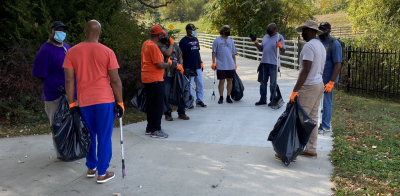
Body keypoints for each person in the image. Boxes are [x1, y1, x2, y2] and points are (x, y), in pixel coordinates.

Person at [63, 20, 124, 184]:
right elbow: (115, 80)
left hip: (84, 101)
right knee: (104, 136)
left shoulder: (72, 52)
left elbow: (69, 81)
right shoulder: (107, 52)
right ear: (100, 33)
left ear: (85, 31)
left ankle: (91, 167)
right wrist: (120, 102)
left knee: (88, 135)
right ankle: (102, 173)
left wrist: (71, 104)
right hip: (104, 100)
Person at [32, 21, 72, 159]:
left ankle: (72, 148)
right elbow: (39, 73)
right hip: (54, 95)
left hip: (71, 94)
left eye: (63, 30)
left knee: (71, 123)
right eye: (58, 30)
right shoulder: (46, 50)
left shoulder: (67, 47)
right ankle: (61, 153)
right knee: (57, 125)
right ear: (51, 31)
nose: (61, 32)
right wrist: (53, 83)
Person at [290, 20, 326, 158]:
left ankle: (290, 151)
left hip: (309, 86)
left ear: (311, 31)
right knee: (313, 118)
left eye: (304, 30)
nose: (303, 33)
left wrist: (295, 91)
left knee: (299, 119)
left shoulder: (309, 47)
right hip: (319, 84)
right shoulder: (320, 46)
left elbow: (305, 70)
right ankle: (311, 149)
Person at [141, 25, 172, 138]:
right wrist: (169, 63)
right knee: (157, 105)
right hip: (154, 79)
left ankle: (150, 127)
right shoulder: (153, 47)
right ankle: (156, 129)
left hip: (147, 78)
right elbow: (159, 65)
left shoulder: (146, 43)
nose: (163, 36)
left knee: (151, 104)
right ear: (158, 35)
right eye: (162, 34)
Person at [249, 23, 286, 106]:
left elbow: (283, 51)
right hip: (264, 63)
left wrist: (280, 46)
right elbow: (261, 49)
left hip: (273, 63)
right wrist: (255, 41)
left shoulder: (279, 37)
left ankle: (272, 100)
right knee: (263, 82)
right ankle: (262, 99)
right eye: (267, 28)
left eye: (269, 28)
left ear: (274, 29)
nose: (268, 29)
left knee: (273, 83)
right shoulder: (265, 37)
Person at [157, 30, 189, 121]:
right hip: (166, 74)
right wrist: (171, 44)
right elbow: (167, 53)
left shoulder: (175, 45)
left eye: (165, 35)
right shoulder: (159, 45)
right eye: (161, 35)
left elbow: (180, 56)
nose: (163, 37)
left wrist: (181, 64)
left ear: (168, 35)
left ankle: (181, 112)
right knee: (165, 94)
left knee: (180, 92)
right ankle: (168, 113)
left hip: (176, 73)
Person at [318, 22, 342, 134]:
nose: (322, 32)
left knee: (327, 102)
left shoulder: (334, 44)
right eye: (320, 29)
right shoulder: (318, 42)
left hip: (328, 80)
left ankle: (325, 125)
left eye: (324, 30)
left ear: (329, 31)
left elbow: (338, 64)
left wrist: (331, 82)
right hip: (317, 79)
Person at [179, 24, 207, 108]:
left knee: (200, 84)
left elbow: (197, 52)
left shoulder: (195, 39)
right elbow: (180, 55)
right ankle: (190, 101)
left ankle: (199, 100)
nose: (194, 31)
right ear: (188, 30)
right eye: (193, 29)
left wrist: (201, 61)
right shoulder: (183, 41)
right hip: (188, 66)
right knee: (189, 85)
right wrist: (181, 65)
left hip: (197, 65)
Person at [211, 25, 238, 104]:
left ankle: (228, 97)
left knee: (230, 80)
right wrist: (213, 62)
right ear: (223, 31)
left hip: (230, 64)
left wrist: (235, 63)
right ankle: (221, 97)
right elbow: (214, 52)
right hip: (221, 64)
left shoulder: (231, 41)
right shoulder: (217, 40)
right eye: (227, 30)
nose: (229, 31)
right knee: (221, 81)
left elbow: (233, 53)